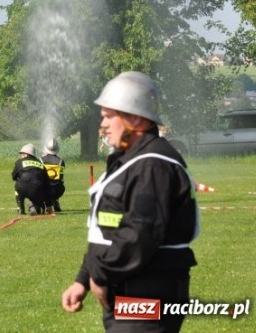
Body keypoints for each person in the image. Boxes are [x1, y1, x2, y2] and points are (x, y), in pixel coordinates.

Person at [61, 72, 199, 332]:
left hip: (148, 292)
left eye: (108, 116)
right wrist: (84, 279)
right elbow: (107, 232)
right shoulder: (128, 161)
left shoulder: (152, 165)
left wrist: (100, 276)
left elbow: (139, 234)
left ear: (134, 118)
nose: (102, 125)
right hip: (129, 287)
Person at [12, 143, 50, 215]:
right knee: (39, 205)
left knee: (17, 188)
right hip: (37, 189)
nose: (21, 156)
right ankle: (35, 206)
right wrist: (49, 204)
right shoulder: (41, 164)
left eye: (22, 154)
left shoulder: (19, 162)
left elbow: (13, 176)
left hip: (22, 187)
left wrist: (19, 178)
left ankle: (20, 208)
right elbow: (46, 182)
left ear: (26, 154)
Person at [42, 138, 66, 212]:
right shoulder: (61, 162)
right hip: (58, 190)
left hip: (44, 190)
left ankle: (45, 204)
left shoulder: (40, 160)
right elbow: (60, 177)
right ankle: (55, 201)